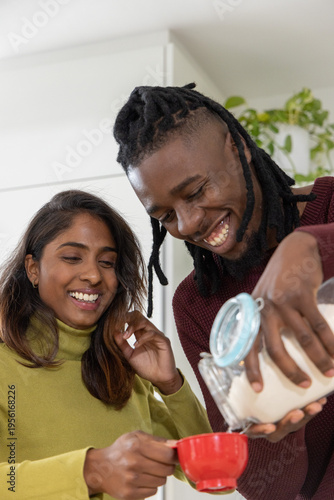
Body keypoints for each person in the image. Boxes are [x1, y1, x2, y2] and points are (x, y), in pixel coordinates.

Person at [113, 83, 334, 500]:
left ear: (237, 148)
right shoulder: (199, 303)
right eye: (165, 216)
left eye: (196, 192)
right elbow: (262, 488)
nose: (189, 223)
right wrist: (278, 432)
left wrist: (307, 246)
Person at [0, 189, 214, 500]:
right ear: (33, 268)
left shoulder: (123, 372)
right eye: (72, 257)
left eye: (107, 262)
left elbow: (212, 475)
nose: (93, 275)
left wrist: (171, 385)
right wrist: (90, 471)